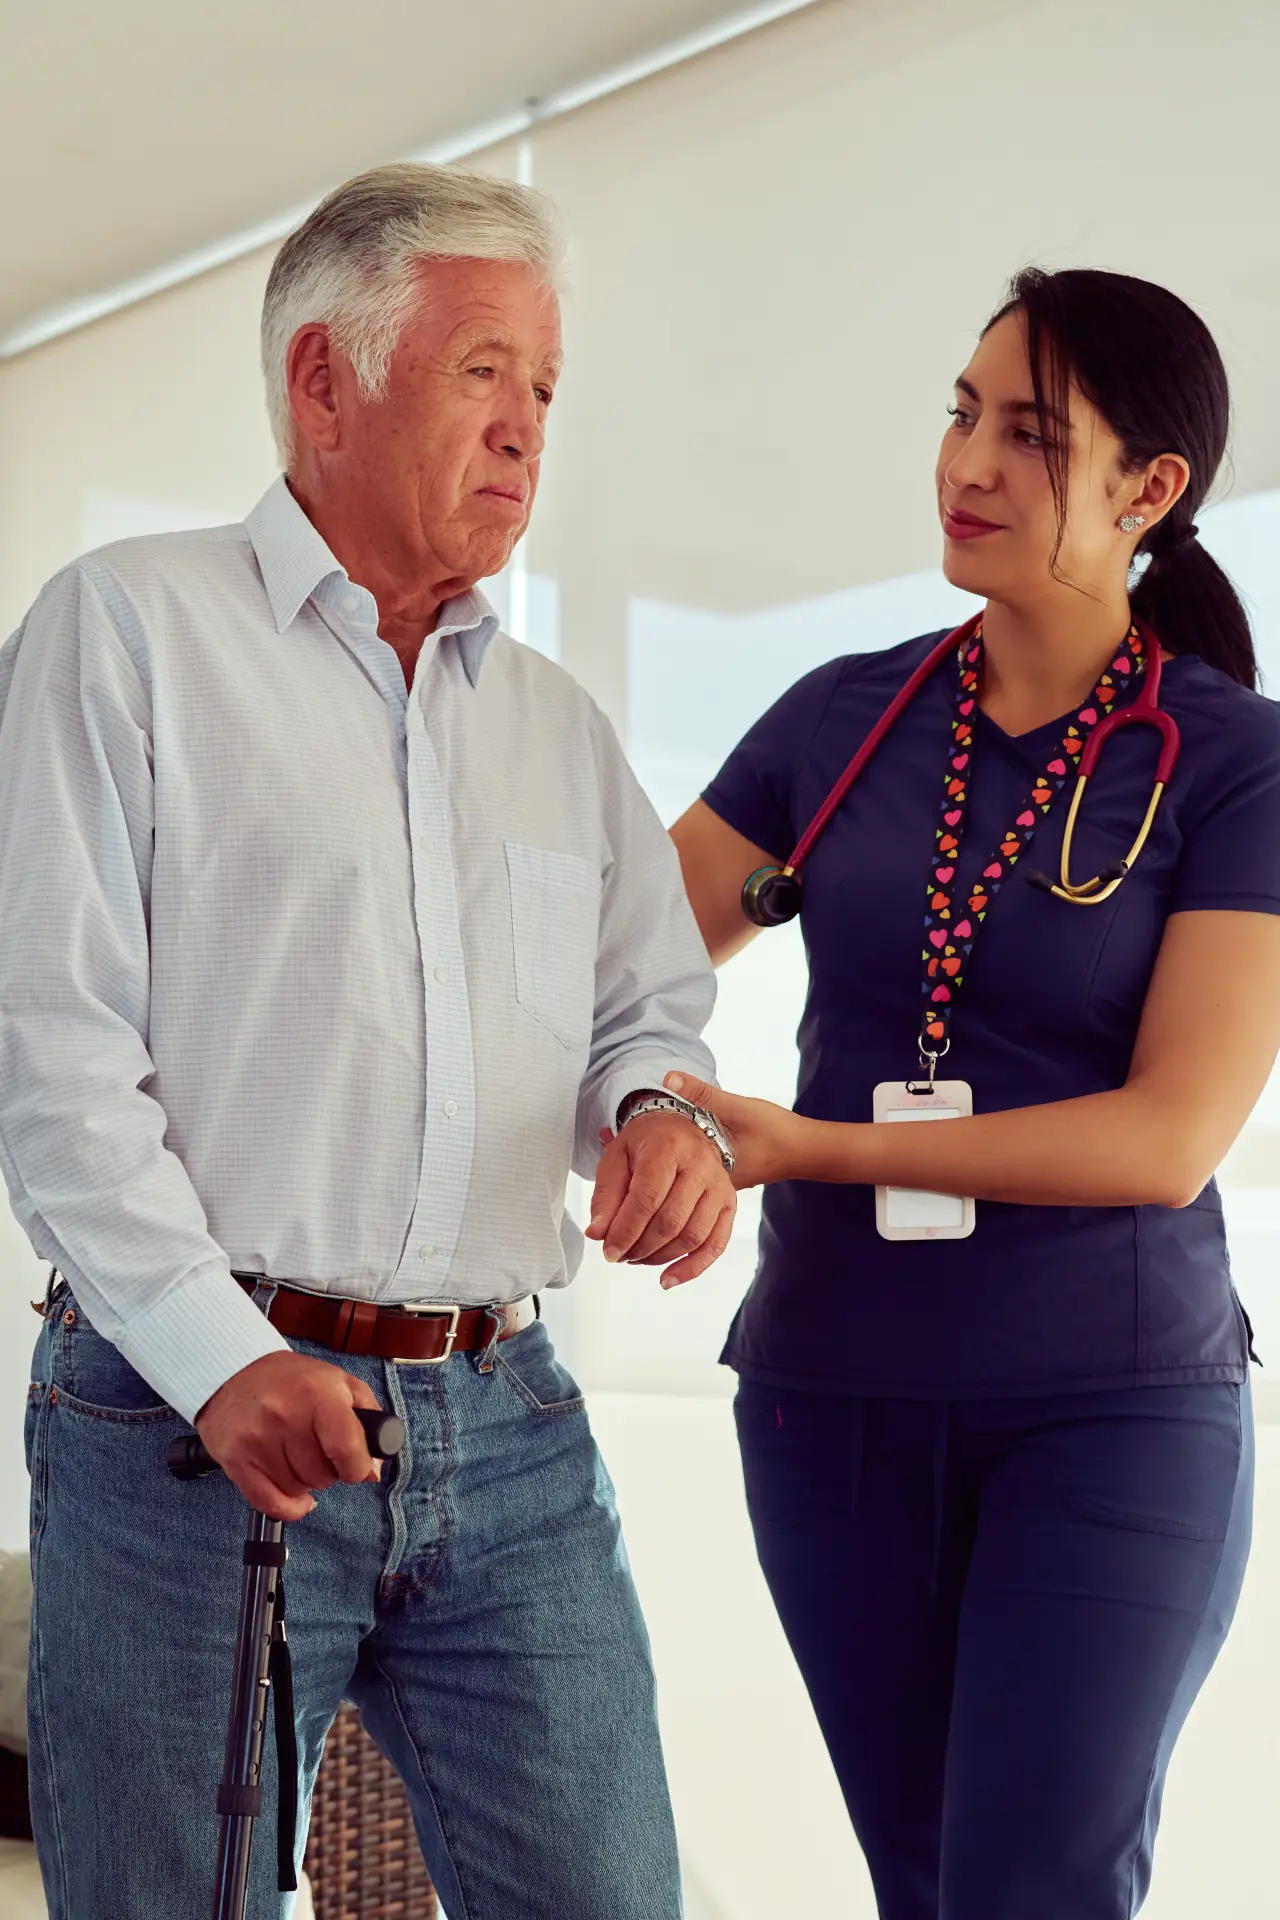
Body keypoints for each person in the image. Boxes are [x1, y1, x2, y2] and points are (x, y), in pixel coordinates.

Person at [0, 162, 738, 1920]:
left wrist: (660, 1112)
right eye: (485, 371)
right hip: (187, 1424)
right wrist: (217, 1357)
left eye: (545, 386)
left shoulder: (559, 728)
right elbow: (50, 1052)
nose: (527, 426)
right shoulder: (126, 631)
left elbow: (645, 1013)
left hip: (511, 1424)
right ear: (324, 382)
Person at [661, 268, 1280, 1920]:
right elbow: (611, 966)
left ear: (1150, 488)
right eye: (961, 415)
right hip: (833, 1403)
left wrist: (812, 1145)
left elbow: (1171, 1137)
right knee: (927, 1886)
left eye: (1032, 434)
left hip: (1108, 1411)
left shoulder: (1235, 762)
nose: (970, 464)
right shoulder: (842, 723)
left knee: (1033, 1891)